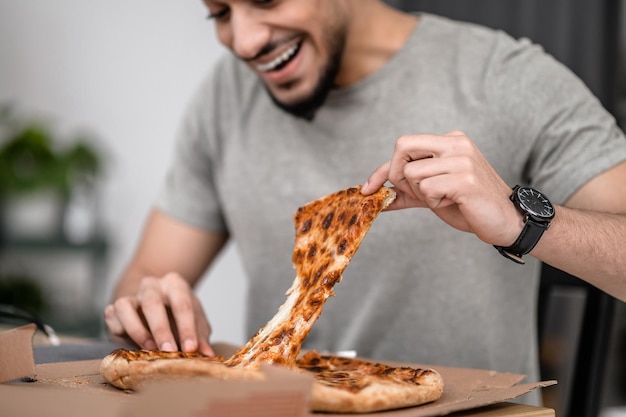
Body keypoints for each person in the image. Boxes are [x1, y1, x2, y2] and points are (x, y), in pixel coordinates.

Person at [104, 0, 626, 404]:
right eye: (220, 13)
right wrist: (149, 305)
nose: (243, 41)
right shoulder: (226, 97)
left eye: (266, 1)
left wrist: (521, 223)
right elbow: (146, 274)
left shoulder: (505, 78)